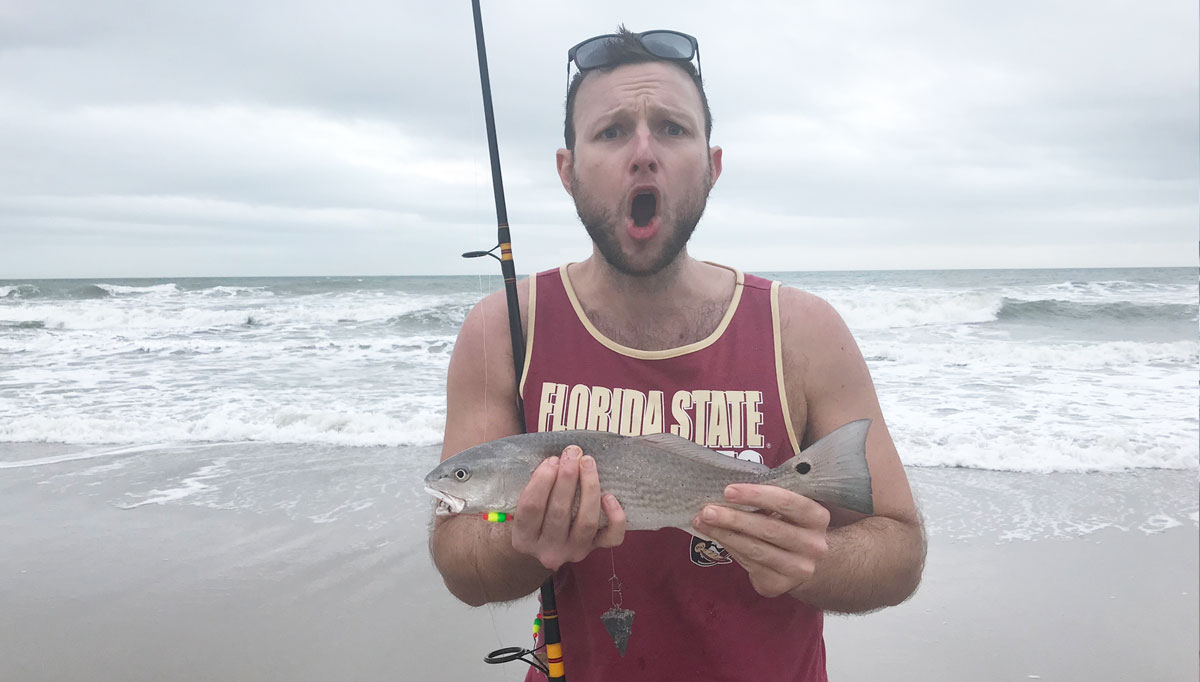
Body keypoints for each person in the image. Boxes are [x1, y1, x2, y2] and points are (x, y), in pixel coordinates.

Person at [429, 26, 925, 681]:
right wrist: (523, 538)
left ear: (712, 164)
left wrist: (815, 560)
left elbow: (898, 543)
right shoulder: (502, 329)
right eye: (610, 132)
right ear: (567, 169)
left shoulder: (803, 331)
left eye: (671, 128)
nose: (643, 153)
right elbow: (462, 541)